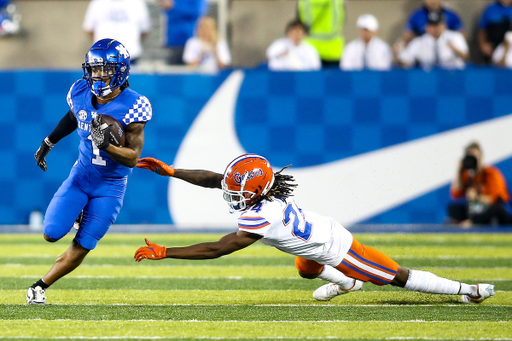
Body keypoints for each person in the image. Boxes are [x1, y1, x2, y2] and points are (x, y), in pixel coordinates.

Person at [134, 154, 495, 304]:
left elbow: (217, 248)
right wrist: (173, 172)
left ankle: (467, 290)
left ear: (255, 191)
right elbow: (216, 178)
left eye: (236, 191)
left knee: (397, 276)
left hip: (339, 248)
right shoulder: (266, 188)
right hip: (315, 238)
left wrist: (167, 252)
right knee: (304, 269)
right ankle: (346, 282)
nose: (229, 193)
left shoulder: (260, 216)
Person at [27, 39, 152, 305]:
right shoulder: (81, 91)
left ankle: (39, 287)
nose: (98, 75)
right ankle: (78, 210)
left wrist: (106, 145)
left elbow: (132, 158)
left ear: (120, 70)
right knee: (50, 233)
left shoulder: (134, 105)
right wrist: (48, 143)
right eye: (94, 69)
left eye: (105, 69)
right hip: (81, 177)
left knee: (84, 243)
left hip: (110, 185)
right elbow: (75, 116)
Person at [447, 141, 512, 227]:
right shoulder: (466, 175)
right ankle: (470, 221)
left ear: (480, 157)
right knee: (452, 208)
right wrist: (458, 170)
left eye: (475, 157)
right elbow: (455, 194)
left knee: (496, 209)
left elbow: (494, 199)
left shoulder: (491, 173)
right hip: (476, 210)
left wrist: (476, 197)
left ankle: (472, 222)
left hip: (492, 209)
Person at [83, 0, 151, 64]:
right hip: (103, 57)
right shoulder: (98, 3)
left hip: (130, 57)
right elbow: (89, 29)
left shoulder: (137, 3)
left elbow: (144, 30)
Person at [395, 10, 468, 70]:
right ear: (426, 27)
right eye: (432, 25)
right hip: (429, 79)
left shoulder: (455, 37)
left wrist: (454, 49)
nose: (435, 28)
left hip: (454, 75)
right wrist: (396, 56)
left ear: (444, 25)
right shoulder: (420, 42)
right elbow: (406, 61)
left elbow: (466, 57)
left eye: (437, 25)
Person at [297, 0, 345, 67]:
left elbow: (299, 23)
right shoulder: (336, 1)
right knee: (332, 76)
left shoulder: (304, 2)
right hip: (333, 49)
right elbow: (342, 19)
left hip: (310, 49)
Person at [160, 0, 208, 65]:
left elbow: (198, 11)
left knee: (192, 71)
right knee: (172, 71)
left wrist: (174, 7)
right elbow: (166, 8)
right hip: (173, 42)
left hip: (191, 42)